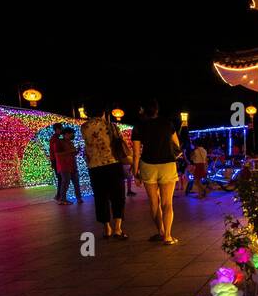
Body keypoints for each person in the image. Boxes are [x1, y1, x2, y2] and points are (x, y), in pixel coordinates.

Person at [131, 100, 182, 245]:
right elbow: (177, 145)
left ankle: (160, 231)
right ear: (157, 110)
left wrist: (136, 172)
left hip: (148, 165)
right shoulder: (167, 123)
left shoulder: (139, 126)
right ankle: (168, 236)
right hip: (167, 164)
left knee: (154, 203)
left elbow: (136, 153)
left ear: (143, 110)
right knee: (167, 203)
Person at [80, 106, 127, 238]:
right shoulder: (111, 125)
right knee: (118, 196)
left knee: (100, 197)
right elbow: (119, 142)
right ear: (103, 112)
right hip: (113, 164)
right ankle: (118, 228)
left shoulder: (84, 127)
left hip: (94, 166)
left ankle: (107, 228)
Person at [55, 128, 83, 203]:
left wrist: (77, 151)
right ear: (66, 134)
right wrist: (70, 151)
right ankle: (62, 199)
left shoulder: (70, 142)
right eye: (71, 133)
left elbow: (72, 153)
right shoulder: (59, 142)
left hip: (73, 165)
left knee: (76, 183)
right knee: (65, 183)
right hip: (64, 166)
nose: (72, 135)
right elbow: (57, 154)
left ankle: (79, 198)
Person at [48, 122, 67, 201]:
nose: (62, 130)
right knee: (61, 179)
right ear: (57, 129)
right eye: (61, 128)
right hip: (56, 161)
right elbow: (54, 152)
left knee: (61, 178)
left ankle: (59, 195)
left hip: (56, 161)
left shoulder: (56, 138)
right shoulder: (55, 139)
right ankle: (59, 196)